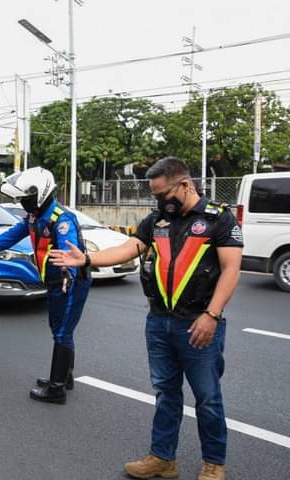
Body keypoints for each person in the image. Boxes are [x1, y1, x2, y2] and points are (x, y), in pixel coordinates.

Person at [50, 157, 242, 480]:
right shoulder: (158, 220)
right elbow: (131, 247)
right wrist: (87, 259)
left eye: (164, 195)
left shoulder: (217, 219)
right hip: (159, 322)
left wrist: (212, 315)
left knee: (208, 397)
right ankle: (163, 458)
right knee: (166, 392)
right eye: (155, 196)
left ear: (185, 185)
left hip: (199, 323)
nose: (160, 202)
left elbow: (231, 269)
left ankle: (214, 463)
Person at [0, 167, 91, 404]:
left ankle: (57, 388)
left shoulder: (61, 219)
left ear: (40, 194)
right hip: (54, 281)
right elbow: (7, 238)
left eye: (25, 198)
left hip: (69, 282)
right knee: (58, 328)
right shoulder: (34, 217)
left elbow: (68, 249)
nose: (22, 203)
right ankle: (65, 376)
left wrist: (67, 273)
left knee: (62, 331)